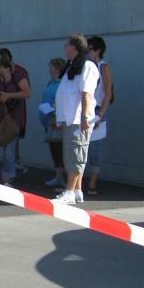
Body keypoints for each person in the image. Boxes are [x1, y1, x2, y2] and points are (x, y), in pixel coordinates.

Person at [53, 33, 100, 204]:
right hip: (69, 119)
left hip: (78, 120)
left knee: (76, 155)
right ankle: (77, 190)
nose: (65, 48)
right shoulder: (72, 66)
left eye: (67, 45)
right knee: (72, 154)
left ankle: (69, 192)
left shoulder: (87, 66)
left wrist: (84, 117)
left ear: (74, 47)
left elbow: (86, 93)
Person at [0, 48, 31, 185]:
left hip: (13, 118)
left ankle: (7, 180)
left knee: (9, 151)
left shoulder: (19, 73)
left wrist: (8, 95)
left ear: (1, 64)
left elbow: (27, 93)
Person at [85, 36, 114, 196]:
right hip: (84, 109)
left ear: (98, 50)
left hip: (96, 110)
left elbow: (108, 93)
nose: (87, 53)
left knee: (95, 148)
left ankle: (93, 181)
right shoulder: (86, 66)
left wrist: (101, 114)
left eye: (90, 49)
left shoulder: (103, 66)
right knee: (81, 146)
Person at [40, 58, 67, 188]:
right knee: (54, 149)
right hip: (49, 121)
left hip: (58, 122)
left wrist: (57, 112)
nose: (49, 70)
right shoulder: (51, 83)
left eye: (51, 67)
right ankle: (58, 177)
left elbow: (64, 102)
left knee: (60, 150)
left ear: (57, 69)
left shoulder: (64, 84)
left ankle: (64, 179)